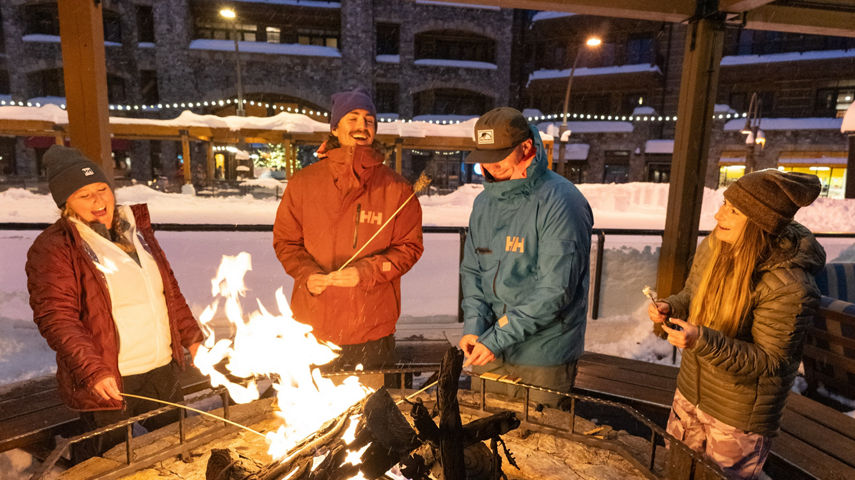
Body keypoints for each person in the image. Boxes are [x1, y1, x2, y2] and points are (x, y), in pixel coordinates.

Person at [25, 145, 204, 462]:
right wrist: (93, 371)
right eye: (84, 195)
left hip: (161, 369)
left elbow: (168, 291)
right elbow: (57, 318)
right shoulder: (55, 247)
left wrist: (191, 335)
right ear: (65, 203)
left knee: (182, 452)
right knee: (107, 463)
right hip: (110, 378)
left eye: (102, 189)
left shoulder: (134, 229)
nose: (98, 201)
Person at [647, 169, 825, 479]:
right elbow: (692, 293)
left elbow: (773, 360)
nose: (718, 215)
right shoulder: (716, 245)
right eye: (724, 204)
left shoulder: (790, 285)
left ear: (759, 222)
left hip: (738, 416)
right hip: (690, 391)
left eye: (732, 210)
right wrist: (670, 306)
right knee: (674, 471)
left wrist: (702, 340)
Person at [273, 89, 423, 371]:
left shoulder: (397, 188)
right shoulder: (303, 183)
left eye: (368, 120)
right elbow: (286, 242)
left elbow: (409, 248)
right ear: (334, 127)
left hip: (372, 328)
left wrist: (365, 273)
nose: (361, 126)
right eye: (352, 118)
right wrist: (307, 274)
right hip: (314, 326)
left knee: (375, 412)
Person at [457, 107, 593, 406]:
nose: (490, 167)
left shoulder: (562, 202)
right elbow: (473, 271)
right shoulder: (483, 204)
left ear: (527, 147)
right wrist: (475, 327)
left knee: (539, 443)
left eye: (498, 156)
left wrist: (496, 338)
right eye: (484, 158)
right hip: (490, 348)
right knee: (485, 438)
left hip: (542, 355)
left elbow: (555, 291)